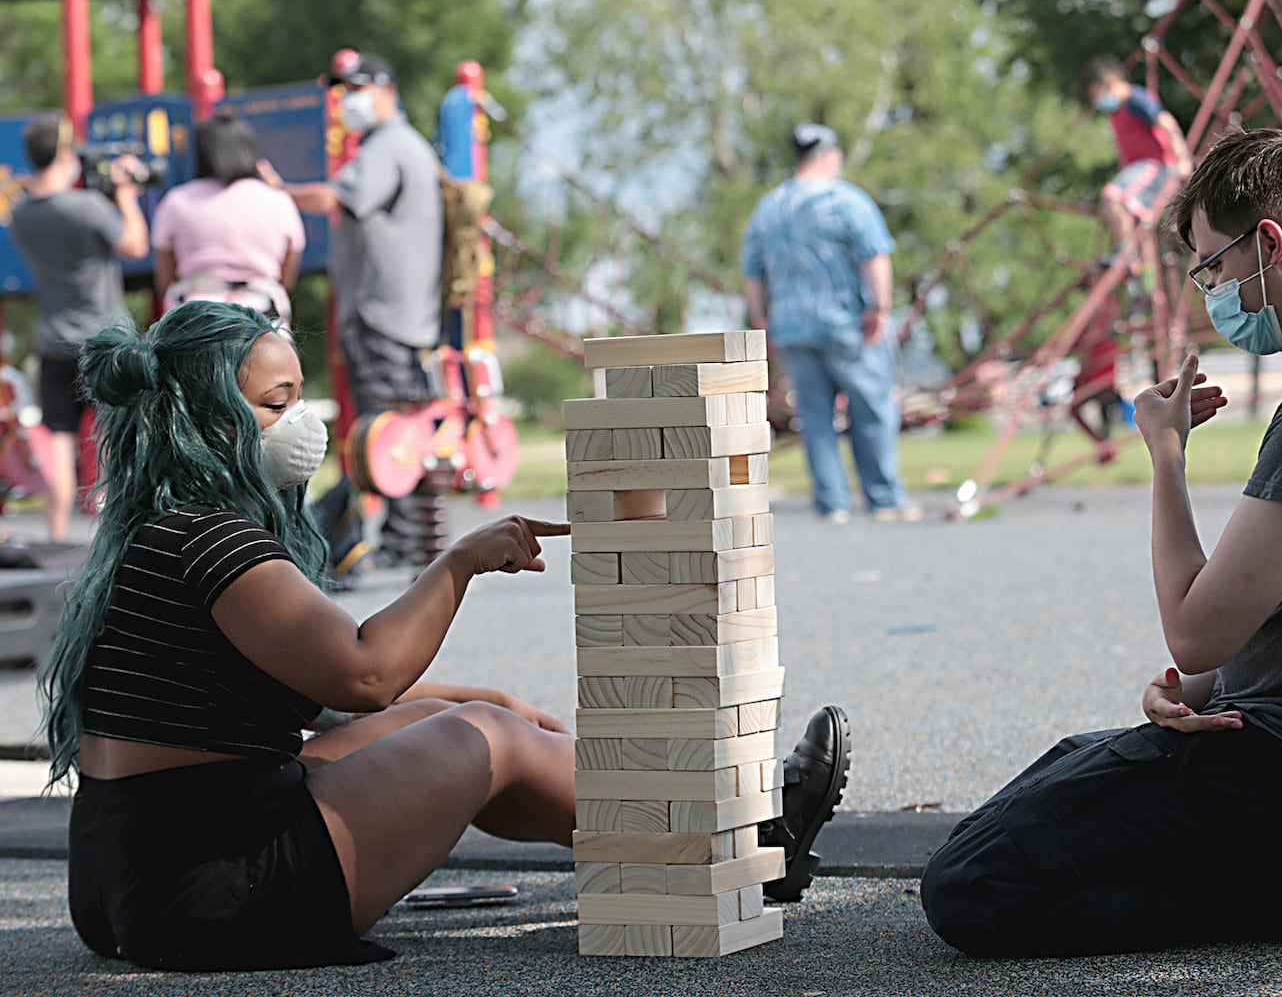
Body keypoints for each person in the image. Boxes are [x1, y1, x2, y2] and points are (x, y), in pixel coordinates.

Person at [37, 301, 849, 970]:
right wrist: (459, 561)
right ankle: (747, 829)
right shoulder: (215, 538)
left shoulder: (157, 530)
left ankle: (689, 847)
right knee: (487, 737)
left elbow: (307, 697)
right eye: (277, 404)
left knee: (460, 718)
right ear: (206, 415)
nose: (304, 422)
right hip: (215, 886)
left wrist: (467, 693)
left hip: (129, 873)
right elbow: (361, 678)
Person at [921, 128, 1282, 956]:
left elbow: (1192, 626)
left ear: (1271, 244)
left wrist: (1166, 455)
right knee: (1064, 768)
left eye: (1212, 265)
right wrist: (1203, 686)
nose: (1209, 288)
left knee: (969, 887)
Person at [261, 51, 443, 565]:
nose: (347, 101)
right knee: (393, 423)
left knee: (383, 431)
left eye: (356, 89)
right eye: (341, 92)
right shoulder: (402, 144)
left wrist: (279, 190)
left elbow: (334, 199)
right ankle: (402, 536)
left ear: (385, 89)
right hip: (399, 310)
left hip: (382, 310)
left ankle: (398, 539)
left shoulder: (388, 145)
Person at [741, 123, 919, 524]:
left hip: (791, 327)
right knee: (871, 409)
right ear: (829, 156)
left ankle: (832, 502)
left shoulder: (768, 207)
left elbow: (752, 272)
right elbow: (874, 256)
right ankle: (883, 498)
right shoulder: (845, 200)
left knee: (816, 418)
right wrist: (882, 307)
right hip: (847, 323)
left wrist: (762, 321)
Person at [9, 111, 149, 542]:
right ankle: (113, 532)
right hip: (103, 340)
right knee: (115, 438)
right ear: (65, 154)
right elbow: (135, 244)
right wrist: (126, 195)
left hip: (53, 340)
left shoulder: (22, 215)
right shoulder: (87, 208)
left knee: (59, 440)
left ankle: (55, 536)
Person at [151, 111, 305, 326]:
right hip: (262, 308)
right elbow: (287, 275)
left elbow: (164, 277)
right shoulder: (279, 200)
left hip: (195, 313)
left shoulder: (176, 201)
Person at [1081, 55, 1193, 270]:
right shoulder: (1116, 112)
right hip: (1141, 168)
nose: (1097, 103)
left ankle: (1126, 252)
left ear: (1109, 82)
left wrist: (1183, 160)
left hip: (1155, 165)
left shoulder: (1135, 98)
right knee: (1141, 224)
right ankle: (1146, 283)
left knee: (1113, 196)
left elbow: (1167, 123)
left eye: (1096, 95)